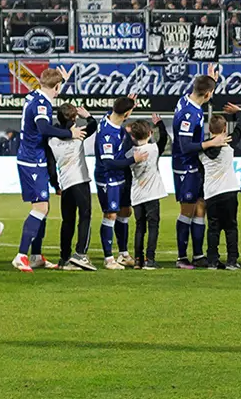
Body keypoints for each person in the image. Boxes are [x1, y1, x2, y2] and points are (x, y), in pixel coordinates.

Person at [14, 68, 88, 273]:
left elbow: (50, 88)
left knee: (44, 208)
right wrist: (70, 133)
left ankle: (36, 256)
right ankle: (21, 256)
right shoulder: (41, 104)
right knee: (40, 208)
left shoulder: (35, 95)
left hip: (34, 159)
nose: (58, 92)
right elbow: (44, 129)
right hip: (32, 161)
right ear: (55, 87)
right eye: (59, 88)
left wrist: (61, 80)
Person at [171, 70, 221, 271]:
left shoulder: (187, 100)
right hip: (185, 166)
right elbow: (184, 146)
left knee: (201, 207)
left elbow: (199, 88)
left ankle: (198, 255)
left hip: (195, 165)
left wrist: (210, 81)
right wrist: (211, 142)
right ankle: (182, 257)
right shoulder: (189, 114)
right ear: (208, 94)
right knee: (187, 210)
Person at [48, 104, 96, 271]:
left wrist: (55, 185)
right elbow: (94, 126)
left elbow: (51, 167)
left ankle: (64, 257)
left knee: (67, 221)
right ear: (74, 118)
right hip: (80, 181)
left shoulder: (52, 139)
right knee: (85, 216)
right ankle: (81, 254)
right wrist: (87, 115)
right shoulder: (79, 135)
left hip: (66, 184)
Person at [94, 97, 137, 269]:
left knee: (125, 212)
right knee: (110, 214)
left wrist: (127, 101)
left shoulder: (109, 117)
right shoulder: (107, 134)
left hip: (122, 176)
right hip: (108, 177)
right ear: (126, 114)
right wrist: (134, 159)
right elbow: (108, 162)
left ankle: (123, 253)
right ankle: (108, 258)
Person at [201, 112, 241, 270]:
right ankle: (232, 261)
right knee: (231, 227)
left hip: (211, 192)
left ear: (210, 129)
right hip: (229, 190)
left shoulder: (203, 147)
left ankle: (212, 260)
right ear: (225, 128)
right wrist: (238, 112)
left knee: (213, 227)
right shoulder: (229, 142)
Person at [128, 119, 165, 268]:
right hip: (152, 194)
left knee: (139, 227)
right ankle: (150, 259)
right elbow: (165, 138)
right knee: (153, 227)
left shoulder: (130, 153)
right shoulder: (154, 149)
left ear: (133, 137)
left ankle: (138, 259)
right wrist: (160, 124)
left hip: (137, 195)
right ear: (150, 134)